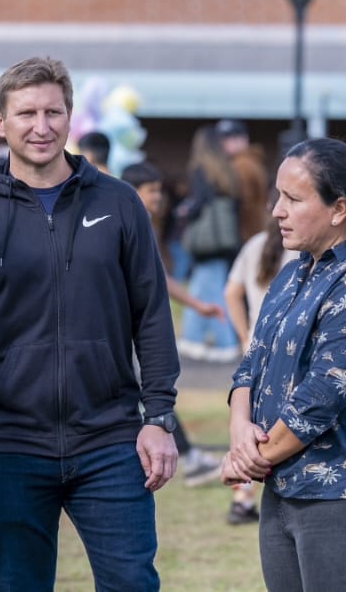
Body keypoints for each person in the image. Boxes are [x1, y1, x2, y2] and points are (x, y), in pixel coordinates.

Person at [0, 56, 180, 591]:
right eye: (26, 113)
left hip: (111, 439)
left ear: (70, 119)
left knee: (133, 582)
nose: (41, 126)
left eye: (53, 112)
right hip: (9, 443)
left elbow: (152, 316)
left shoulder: (119, 203)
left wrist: (158, 416)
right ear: (0, 122)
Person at [224, 137, 346, 592]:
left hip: (344, 490)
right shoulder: (291, 274)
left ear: (338, 209)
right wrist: (239, 434)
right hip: (283, 486)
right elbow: (251, 362)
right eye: (277, 196)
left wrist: (249, 461)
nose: (276, 211)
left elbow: (324, 394)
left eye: (292, 199)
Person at [122, 160, 225, 488]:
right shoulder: (125, 222)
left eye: (158, 191)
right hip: (121, 332)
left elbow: (159, 280)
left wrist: (195, 304)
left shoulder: (142, 223)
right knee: (145, 390)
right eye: (151, 191)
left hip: (137, 329)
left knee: (150, 391)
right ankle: (187, 457)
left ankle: (188, 457)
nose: (158, 198)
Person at [222, 207, 297, 525]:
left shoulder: (254, 245)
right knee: (277, 428)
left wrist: (243, 335)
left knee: (245, 426)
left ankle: (242, 497)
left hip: (254, 348)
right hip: (288, 352)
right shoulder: (300, 252)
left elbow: (231, 292)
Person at [177, 126, 244, 362]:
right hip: (225, 239)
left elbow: (200, 202)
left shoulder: (199, 168)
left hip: (206, 241)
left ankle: (220, 342)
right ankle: (195, 339)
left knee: (208, 291)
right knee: (206, 288)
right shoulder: (227, 170)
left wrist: (185, 212)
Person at [216, 119, 269, 242]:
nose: (224, 144)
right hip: (257, 230)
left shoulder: (241, 165)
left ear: (243, 140)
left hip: (249, 233)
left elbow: (246, 205)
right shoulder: (250, 161)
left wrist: (241, 236)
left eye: (230, 139)